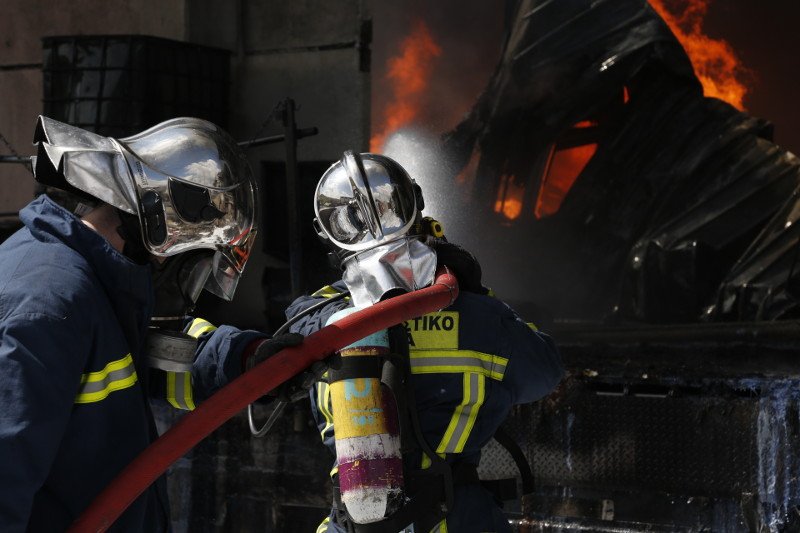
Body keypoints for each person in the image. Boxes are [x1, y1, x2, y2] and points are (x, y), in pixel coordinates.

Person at [0, 116, 300, 531]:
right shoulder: (46, 305)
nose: (171, 268)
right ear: (161, 225)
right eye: (191, 256)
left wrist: (246, 360)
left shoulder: (95, 285)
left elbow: (151, 356)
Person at [285, 151, 564, 533]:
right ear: (414, 207)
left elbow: (288, 338)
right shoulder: (477, 317)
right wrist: (476, 292)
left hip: (353, 522)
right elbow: (545, 371)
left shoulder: (319, 324)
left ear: (330, 234)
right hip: (456, 519)